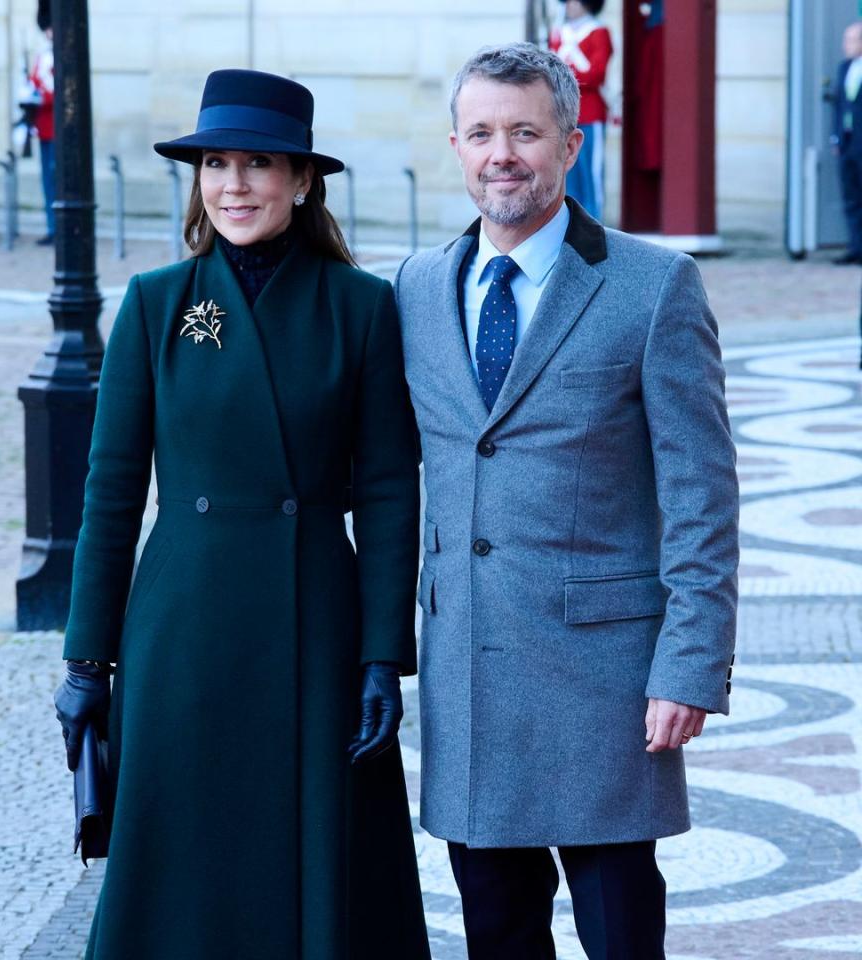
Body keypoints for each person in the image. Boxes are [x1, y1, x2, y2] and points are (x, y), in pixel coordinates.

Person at [53, 69, 431, 960]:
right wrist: (85, 657)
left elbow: (386, 492)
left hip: (313, 625)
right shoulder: (157, 305)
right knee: (184, 866)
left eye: (258, 163)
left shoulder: (363, 308)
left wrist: (383, 657)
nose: (233, 184)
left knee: (314, 862)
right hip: (181, 630)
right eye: (215, 163)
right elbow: (110, 492)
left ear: (303, 180)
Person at [395, 43, 738, 959]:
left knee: (623, 936)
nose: (502, 153)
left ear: (570, 144)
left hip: (608, 687)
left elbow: (703, 496)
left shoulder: (653, 287)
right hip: (469, 679)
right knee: (498, 936)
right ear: (457, 146)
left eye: (524, 132)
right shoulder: (418, 289)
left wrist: (690, 666)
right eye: (481, 133)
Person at [550, 0, 612, 220]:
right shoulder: (560, 32)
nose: (566, 5)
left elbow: (596, 74)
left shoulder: (598, 32)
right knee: (567, 175)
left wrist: (570, 70)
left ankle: (595, 225)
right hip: (564, 116)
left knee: (591, 177)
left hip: (591, 113)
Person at [831, 21, 862, 265]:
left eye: (851, 40)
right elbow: (838, 107)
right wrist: (836, 137)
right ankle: (855, 247)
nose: (846, 45)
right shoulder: (844, 68)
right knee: (851, 197)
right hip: (848, 144)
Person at [30, 4, 54, 245]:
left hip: (60, 128)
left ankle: (60, 228)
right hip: (44, 126)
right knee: (47, 179)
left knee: (58, 179)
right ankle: (52, 225)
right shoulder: (42, 56)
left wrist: (41, 96)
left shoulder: (64, 55)